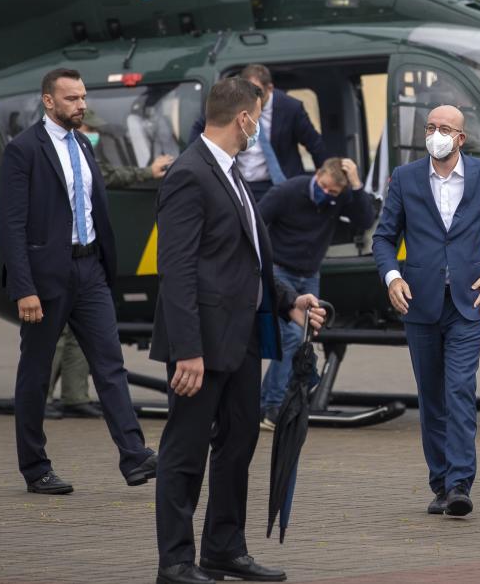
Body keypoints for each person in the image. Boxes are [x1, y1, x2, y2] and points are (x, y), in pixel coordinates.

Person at [151, 77, 325, 584]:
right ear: (244, 118)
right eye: (259, 117)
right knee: (185, 451)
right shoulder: (189, 173)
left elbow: (248, 259)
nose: (259, 128)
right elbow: (176, 268)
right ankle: (176, 562)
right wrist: (187, 349)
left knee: (239, 443)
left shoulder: (230, 173)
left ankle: (223, 549)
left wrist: (290, 302)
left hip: (243, 338)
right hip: (200, 344)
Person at [0, 68, 157, 494]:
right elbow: (11, 225)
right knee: (35, 371)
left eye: (83, 97)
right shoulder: (23, 150)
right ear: (48, 101)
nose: (81, 105)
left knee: (110, 364)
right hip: (46, 277)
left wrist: (104, 266)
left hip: (90, 271)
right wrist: (23, 287)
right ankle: (35, 467)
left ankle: (135, 456)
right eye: (71, 98)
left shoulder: (84, 144)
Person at [372, 105, 480, 517]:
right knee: (431, 395)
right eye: (431, 127)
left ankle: (459, 483)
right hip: (419, 300)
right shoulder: (405, 178)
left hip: (468, 302)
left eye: (445, 129)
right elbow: (383, 237)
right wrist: (392, 277)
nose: (437, 134)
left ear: (461, 138)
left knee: (458, 389)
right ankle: (439, 482)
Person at [44, 109, 174, 420]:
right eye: (89, 127)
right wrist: (146, 173)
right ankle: (39, 397)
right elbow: (109, 175)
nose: (93, 133)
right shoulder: (58, 154)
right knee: (57, 331)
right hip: (62, 254)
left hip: (86, 255)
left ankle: (74, 395)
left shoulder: (83, 150)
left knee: (78, 331)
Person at [257, 157, 374, 429]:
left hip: (310, 274)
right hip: (279, 272)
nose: (327, 194)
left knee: (304, 339)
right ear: (318, 174)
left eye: (333, 192)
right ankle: (273, 406)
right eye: (324, 187)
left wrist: (355, 184)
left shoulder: (340, 197)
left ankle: (267, 401)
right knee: (292, 336)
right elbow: (256, 222)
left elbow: (365, 219)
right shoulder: (287, 192)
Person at [189, 65, 326, 200]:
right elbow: (202, 126)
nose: (251, 99)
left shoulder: (290, 107)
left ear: (270, 88)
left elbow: (314, 143)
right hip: (240, 184)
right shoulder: (232, 105)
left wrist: (324, 175)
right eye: (246, 93)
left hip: (278, 184)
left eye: (258, 93)